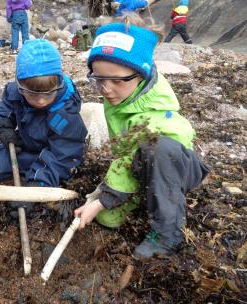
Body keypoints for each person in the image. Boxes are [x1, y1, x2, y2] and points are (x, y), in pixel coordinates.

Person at [75, 14, 209, 259]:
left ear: (142, 74)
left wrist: (102, 199)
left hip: (176, 168)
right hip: (141, 165)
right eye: (99, 79)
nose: (106, 89)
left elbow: (129, 154)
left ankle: (169, 232)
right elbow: (124, 151)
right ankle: (140, 192)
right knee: (107, 219)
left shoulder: (153, 112)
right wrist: (104, 198)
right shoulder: (123, 93)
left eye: (116, 80)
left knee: (156, 149)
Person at [0, 39, 87, 211]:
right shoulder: (16, 90)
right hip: (29, 146)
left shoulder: (65, 115)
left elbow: (62, 156)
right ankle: (35, 170)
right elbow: (6, 106)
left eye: (48, 94)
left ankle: (40, 178)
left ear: (58, 82)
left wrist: (33, 191)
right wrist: (5, 127)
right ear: (20, 85)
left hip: (57, 153)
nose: (40, 100)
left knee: (57, 169)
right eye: (33, 94)